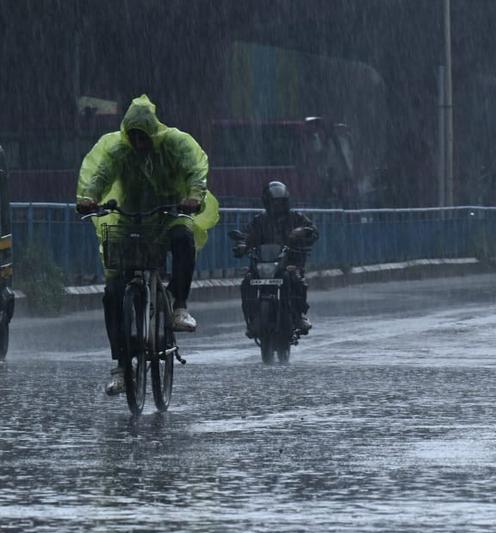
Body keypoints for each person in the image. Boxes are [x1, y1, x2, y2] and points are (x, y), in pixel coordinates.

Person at [76, 95, 218, 396]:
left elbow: (195, 170)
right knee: (113, 293)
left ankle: (179, 305)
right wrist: (89, 197)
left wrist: (193, 197)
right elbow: (100, 175)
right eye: (134, 137)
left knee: (183, 239)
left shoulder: (175, 144)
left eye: (144, 137)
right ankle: (120, 364)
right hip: (132, 220)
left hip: (170, 215)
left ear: (153, 134)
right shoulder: (119, 152)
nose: (139, 143)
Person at [235, 181, 319, 336]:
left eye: (281, 203)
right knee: (247, 281)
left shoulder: (297, 218)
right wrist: (242, 245)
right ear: (267, 203)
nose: (278, 206)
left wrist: (303, 232)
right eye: (275, 203)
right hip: (263, 263)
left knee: (295, 279)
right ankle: (252, 319)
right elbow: (247, 235)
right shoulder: (259, 220)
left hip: (291, 261)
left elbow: (314, 232)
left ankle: (298, 315)